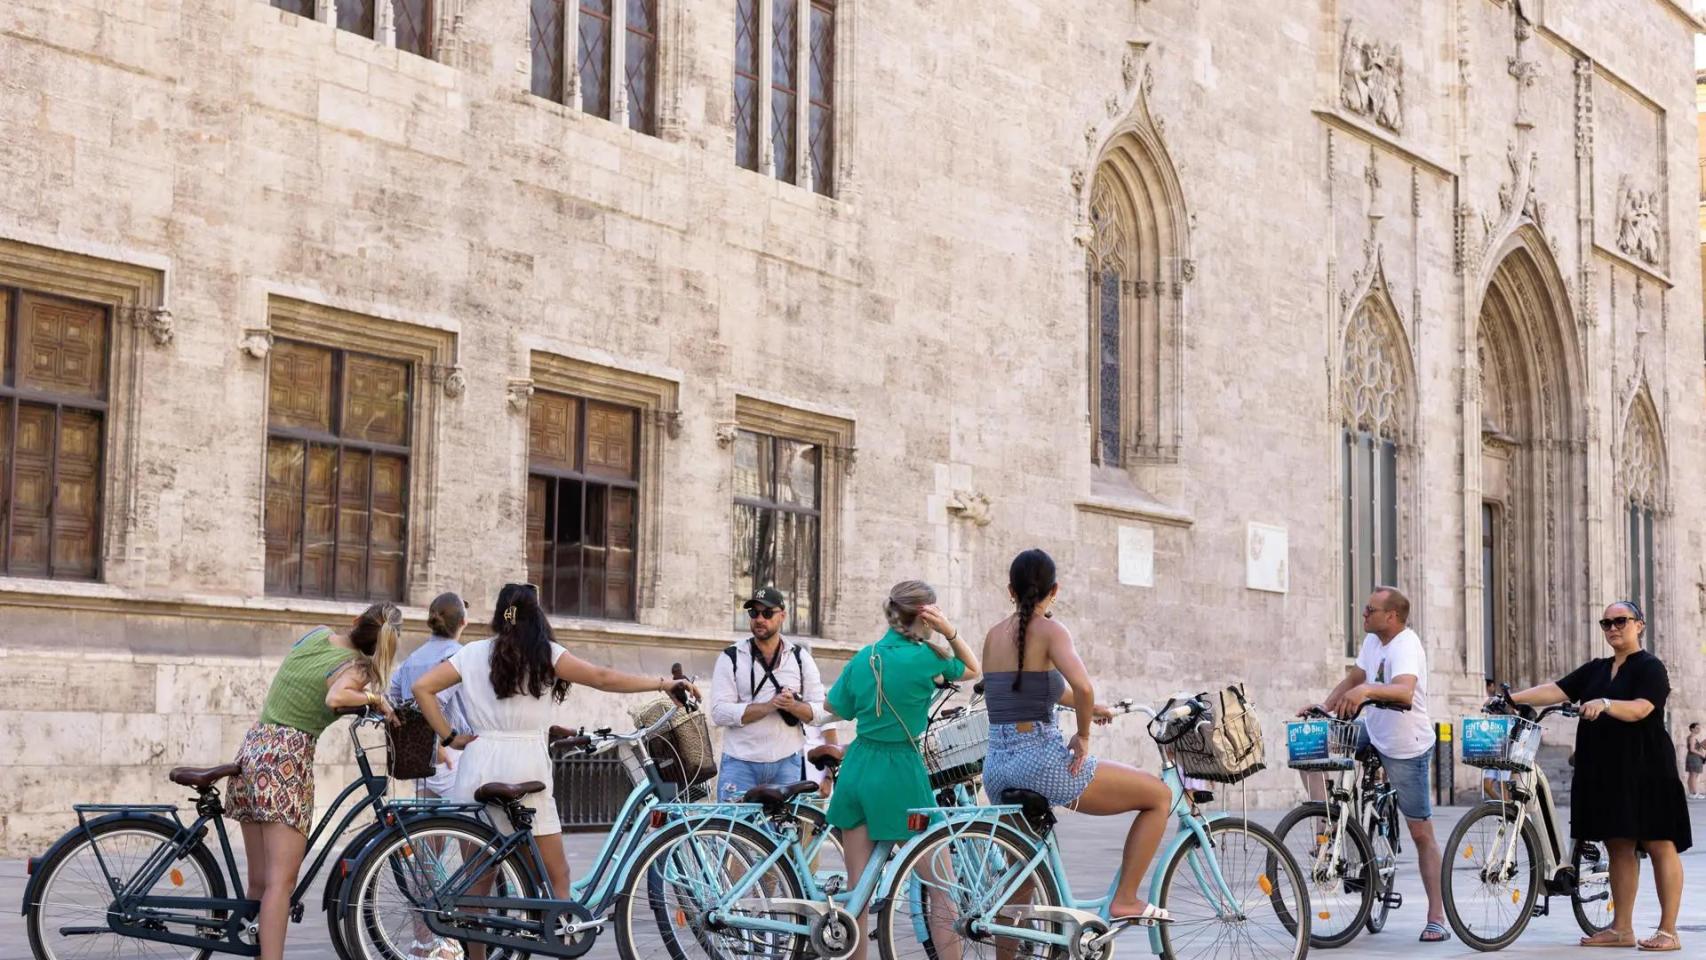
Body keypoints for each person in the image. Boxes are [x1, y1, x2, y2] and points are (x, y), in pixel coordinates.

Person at [412, 582, 697, 902]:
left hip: (477, 766)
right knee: (555, 877)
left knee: (479, 883)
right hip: (525, 766)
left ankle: (475, 935)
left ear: (500, 613)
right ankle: (560, 929)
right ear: (536, 615)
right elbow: (602, 678)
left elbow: (422, 688)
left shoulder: (472, 652)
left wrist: (451, 737)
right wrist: (662, 683)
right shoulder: (545, 654)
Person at [980, 548, 1171, 925]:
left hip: (998, 769)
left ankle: (1011, 943)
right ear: (1055, 590)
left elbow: (1025, 690)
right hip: (1040, 765)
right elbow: (1083, 686)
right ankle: (1126, 899)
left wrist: (1091, 708)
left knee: (1021, 882)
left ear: (1010, 590)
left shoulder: (993, 636)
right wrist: (1083, 736)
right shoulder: (1052, 631)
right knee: (1159, 796)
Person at [1499, 601, 1690, 951]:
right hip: (1604, 768)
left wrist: (1605, 703)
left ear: (1639, 625)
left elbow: (1642, 708)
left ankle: (1668, 931)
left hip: (1647, 766)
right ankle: (1621, 930)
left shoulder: (1651, 667)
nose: (1613, 628)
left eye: (1621, 621)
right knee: (1617, 844)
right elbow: (1556, 689)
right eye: (1606, 623)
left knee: (1659, 842)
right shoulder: (1596, 669)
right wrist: (1509, 698)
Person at [227, 602, 401, 960]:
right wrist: (374, 698)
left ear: (356, 620)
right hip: (285, 761)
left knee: (260, 882)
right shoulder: (356, 668)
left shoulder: (316, 635)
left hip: (253, 750)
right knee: (280, 883)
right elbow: (335, 697)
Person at [825, 580, 979, 960]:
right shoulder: (927, 658)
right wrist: (950, 631)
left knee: (857, 891)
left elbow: (835, 707)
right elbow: (972, 668)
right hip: (901, 773)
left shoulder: (865, 656)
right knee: (941, 887)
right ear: (927, 615)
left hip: (857, 768)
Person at [1300, 586, 1447, 943]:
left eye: (1370, 610)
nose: (1363, 614)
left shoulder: (1406, 645)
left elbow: (1404, 691)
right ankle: (1326, 827)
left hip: (1406, 745)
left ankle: (1437, 916)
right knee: (1311, 747)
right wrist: (1325, 708)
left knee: (1421, 833)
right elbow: (1354, 679)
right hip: (1374, 730)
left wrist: (1365, 692)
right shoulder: (1372, 642)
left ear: (1391, 616)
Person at [385, 592, 472, 960]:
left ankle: (424, 941)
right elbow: (436, 701)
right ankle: (451, 938)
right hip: (455, 759)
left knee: (427, 856)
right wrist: (443, 744)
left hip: (424, 766)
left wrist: (426, 745)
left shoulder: (413, 659)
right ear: (463, 622)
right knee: (475, 853)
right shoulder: (460, 656)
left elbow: (392, 702)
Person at [709, 586, 831, 801]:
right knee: (732, 823)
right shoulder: (732, 656)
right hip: (740, 763)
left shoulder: (800, 658)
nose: (759, 619)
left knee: (782, 824)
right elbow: (719, 713)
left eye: (767, 613)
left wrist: (793, 706)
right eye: (754, 613)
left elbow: (821, 712)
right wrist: (768, 706)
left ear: (782, 616)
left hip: (786, 762)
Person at [1481, 678, 1512, 802]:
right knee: (1486, 785)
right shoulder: (1493, 701)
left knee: (1503, 787)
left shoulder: (1507, 718)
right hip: (1492, 754)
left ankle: (1506, 809)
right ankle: (1503, 807)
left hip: (1504, 754)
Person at [1685, 722, 1704, 800]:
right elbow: (1692, 749)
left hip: (1693, 758)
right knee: (1693, 776)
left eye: (1699, 728)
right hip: (1694, 758)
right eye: (1697, 728)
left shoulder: (1691, 737)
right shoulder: (1692, 737)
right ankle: (1695, 793)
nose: (1699, 729)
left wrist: (1701, 745)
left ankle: (1692, 793)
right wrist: (1701, 754)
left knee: (1692, 775)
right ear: (1692, 729)